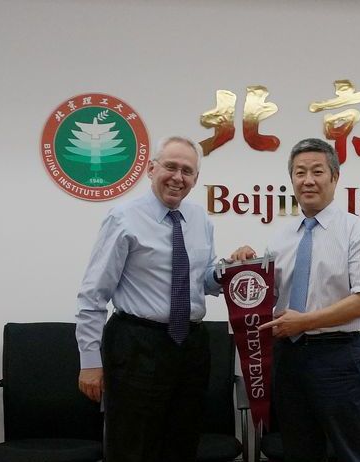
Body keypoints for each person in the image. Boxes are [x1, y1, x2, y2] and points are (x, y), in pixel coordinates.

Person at [231, 138, 360, 462]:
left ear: (335, 177)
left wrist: (304, 322)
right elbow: (269, 296)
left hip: (337, 357)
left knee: (352, 451)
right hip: (287, 359)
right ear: (292, 180)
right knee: (298, 449)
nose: (308, 180)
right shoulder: (281, 237)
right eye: (300, 173)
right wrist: (246, 266)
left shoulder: (357, 232)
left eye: (317, 171)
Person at [75, 136, 221, 462]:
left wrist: (231, 272)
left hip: (191, 347)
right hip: (137, 345)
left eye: (187, 171)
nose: (178, 177)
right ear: (151, 169)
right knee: (132, 446)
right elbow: (93, 294)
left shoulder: (200, 219)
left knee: (183, 443)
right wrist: (90, 362)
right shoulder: (123, 218)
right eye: (171, 167)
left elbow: (203, 279)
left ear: (196, 179)